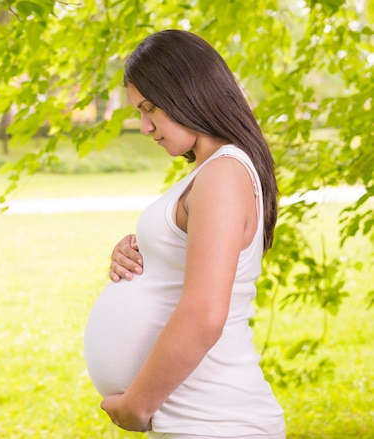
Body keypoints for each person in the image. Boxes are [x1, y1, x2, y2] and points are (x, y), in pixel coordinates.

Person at [83, 30, 286, 438]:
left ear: (187, 91)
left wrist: (136, 405)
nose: (144, 126)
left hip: (217, 421)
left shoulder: (224, 174)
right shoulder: (210, 172)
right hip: (199, 420)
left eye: (150, 108)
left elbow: (205, 314)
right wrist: (140, 253)